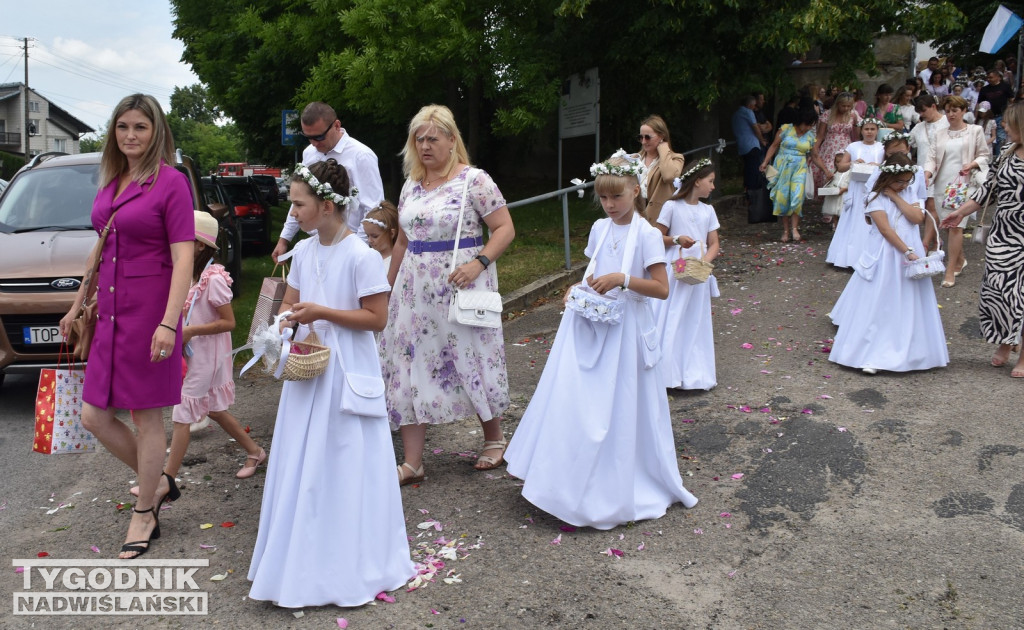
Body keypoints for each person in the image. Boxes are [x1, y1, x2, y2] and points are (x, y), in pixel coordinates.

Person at [247, 159, 414, 607]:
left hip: (346, 374)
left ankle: (351, 560)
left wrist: (322, 313)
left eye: (299, 204)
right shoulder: (302, 253)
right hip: (308, 371)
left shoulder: (361, 255)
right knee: (305, 462)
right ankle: (301, 558)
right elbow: (295, 304)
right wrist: (278, 327)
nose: (293, 213)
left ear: (325, 205)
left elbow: (376, 318)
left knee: (345, 462)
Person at [504, 153, 698, 529]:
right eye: (604, 198)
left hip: (625, 332)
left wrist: (623, 279)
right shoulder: (599, 227)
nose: (610, 205)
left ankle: (612, 482)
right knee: (577, 399)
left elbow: (660, 288)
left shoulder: (647, 234)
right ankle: (565, 478)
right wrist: (575, 288)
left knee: (616, 405)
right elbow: (592, 270)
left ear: (636, 191)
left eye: (618, 198)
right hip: (588, 324)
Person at [58, 94, 193, 559]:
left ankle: (144, 508)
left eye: (140, 127)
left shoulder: (171, 183)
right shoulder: (111, 180)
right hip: (109, 312)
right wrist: (77, 304)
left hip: (149, 311)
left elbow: (183, 259)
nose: (130, 135)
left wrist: (169, 324)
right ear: (113, 133)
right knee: (93, 415)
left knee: (145, 416)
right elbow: (100, 247)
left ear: (156, 132)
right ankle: (158, 484)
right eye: (122, 127)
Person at [379, 105, 515, 484]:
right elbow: (402, 242)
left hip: (461, 283)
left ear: (452, 140)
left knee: (471, 357)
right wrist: (387, 289)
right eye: (418, 139)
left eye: (432, 138)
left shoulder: (475, 180)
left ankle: (494, 437)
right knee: (409, 363)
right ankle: (413, 461)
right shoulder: (411, 184)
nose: (424, 145)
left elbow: (504, 228)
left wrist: (479, 263)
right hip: (413, 289)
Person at [130, 212, 265, 500]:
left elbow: (229, 323)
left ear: (200, 245)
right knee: (214, 409)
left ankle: (165, 480)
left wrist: (191, 331)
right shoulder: (188, 274)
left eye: (183, 239)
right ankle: (255, 452)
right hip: (195, 353)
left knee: (183, 414)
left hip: (208, 355)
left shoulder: (213, 279)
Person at [829, 153, 948, 374]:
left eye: (906, 181)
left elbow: (917, 218)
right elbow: (885, 230)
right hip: (887, 255)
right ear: (886, 177)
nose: (904, 185)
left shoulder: (908, 191)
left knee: (910, 302)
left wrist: (895, 196)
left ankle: (914, 352)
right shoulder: (874, 197)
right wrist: (907, 251)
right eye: (898, 181)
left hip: (911, 249)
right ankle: (871, 354)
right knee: (880, 302)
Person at [942, 101, 1024, 377]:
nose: (1003, 126)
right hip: (1004, 233)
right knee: (1000, 292)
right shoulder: (1007, 153)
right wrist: (958, 214)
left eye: (1008, 123)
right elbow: (987, 191)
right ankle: (1006, 340)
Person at [271, 102, 384, 261]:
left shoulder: (361, 155)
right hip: (317, 244)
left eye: (319, 137)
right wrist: (284, 239)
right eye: (309, 138)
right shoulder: (309, 153)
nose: (314, 143)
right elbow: (300, 199)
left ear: (336, 125)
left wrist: (356, 248)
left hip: (348, 243)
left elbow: (373, 207)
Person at [652, 158, 720, 390]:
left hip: (697, 270)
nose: (713, 186)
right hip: (676, 266)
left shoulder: (708, 210)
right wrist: (676, 239)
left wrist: (703, 263)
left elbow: (714, 244)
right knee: (674, 315)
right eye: (710, 181)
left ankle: (694, 373)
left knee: (695, 318)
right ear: (697, 181)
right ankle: (667, 372)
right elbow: (656, 238)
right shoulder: (671, 207)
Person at [923, 95, 991, 288]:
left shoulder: (975, 130)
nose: (951, 114)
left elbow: (985, 155)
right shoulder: (940, 132)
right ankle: (959, 259)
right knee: (948, 225)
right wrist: (927, 173)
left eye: (955, 110)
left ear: (963, 111)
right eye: (948, 110)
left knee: (956, 226)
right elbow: (932, 157)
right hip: (942, 184)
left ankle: (950, 269)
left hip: (963, 183)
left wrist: (973, 163)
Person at [760, 108, 831, 242]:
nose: (809, 127)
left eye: (811, 125)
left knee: (797, 196)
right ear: (800, 121)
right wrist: (765, 162)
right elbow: (774, 146)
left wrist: (825, 170)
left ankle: (795, 229)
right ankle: (785, 231)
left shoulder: (810, 136)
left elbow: (814, 156)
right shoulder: (785, 129)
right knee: (782, 198)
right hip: (783, 167)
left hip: (799, 168)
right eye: (807, 124)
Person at [825, 118, 885, 268]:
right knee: (854, 218)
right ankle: (848, 257)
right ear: (861, 130)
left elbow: (888, 164)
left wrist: (878, 165)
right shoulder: (853, 146)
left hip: (874, 187)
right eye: (866, 129)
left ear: (877, 130)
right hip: (857, 187)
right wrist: (853, 163)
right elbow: (841, 167)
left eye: (872, 129)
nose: (869, 132)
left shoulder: (882, 147)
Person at [632, 115, 686, 222]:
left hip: (660, 218)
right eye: (640, 137)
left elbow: (668, 176)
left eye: (647, 137)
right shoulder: (634, 159)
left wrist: (664, 148)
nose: (643, 142)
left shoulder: (676, 158)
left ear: (661, 136)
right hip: (635, 213)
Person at [814, 92, 861, 193]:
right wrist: (815, 148)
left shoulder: (853, 115)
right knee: (828, 173)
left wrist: (856, 123)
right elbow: (820, 135)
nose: (846, 108)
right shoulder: (828, 114)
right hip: (829, 147)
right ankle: (826, 199)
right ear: (837, 104)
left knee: (844, 175)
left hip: (846, 147)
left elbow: (857, 136)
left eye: (848, 106)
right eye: (843, 105)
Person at [733, 96, 768, 193]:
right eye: (754, 105)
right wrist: (762, 140)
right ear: (750, 105)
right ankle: (753, 193)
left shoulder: (736, 114)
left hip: (742, 146)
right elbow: (755, 127)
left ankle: (747, 189)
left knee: (747, 168)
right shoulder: (748, 112)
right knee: (754, 170)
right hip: (752, 145)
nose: (755, 108)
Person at [979, 69, 1015, 156]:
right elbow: (979, 104)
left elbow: (1012, 100)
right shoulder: (984, 89)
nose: (989, 79)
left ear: (998, 77)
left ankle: (999, 156)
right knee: (986, 136)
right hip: (988, 117)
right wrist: (977, 116)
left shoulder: (1005, 86)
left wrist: (1011, 113)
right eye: (987, 77)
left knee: (1000, 137)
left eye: (991, 77)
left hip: (1001, 115)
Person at [361, 201, 399, 270]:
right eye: (367, 236)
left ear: (391, 233)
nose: (369, 240)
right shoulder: (367, 258)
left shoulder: (398, 262)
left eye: (374, 236)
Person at [821, 151, 852, 229]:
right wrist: (828, 179)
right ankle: (835, 224)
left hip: (843, 194)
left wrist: (844, 189)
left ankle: (842, 226)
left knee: (842, 210)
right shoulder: (834, 172)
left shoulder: (849, 172)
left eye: (841, 162)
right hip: (834, 194)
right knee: (834, 209)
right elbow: (827, 183)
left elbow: (852, 185)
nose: (839, 164)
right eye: (837, 162)